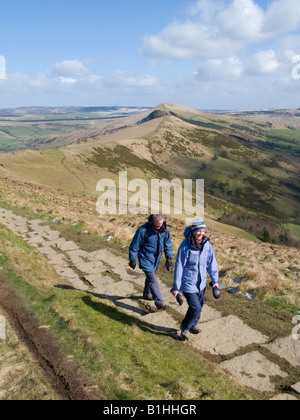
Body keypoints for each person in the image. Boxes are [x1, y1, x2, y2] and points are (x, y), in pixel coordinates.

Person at [172, 220, 219, 340]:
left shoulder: (206, 245)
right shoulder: (185, 246)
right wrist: (176, 287)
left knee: (200, 305)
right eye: (199, 231)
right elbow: (179, 266)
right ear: (193, 231)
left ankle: (193, 324)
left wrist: (215, 281)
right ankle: (185, 327)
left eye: (203, 231)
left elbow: (211, 263)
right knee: (195, 307)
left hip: (201, 283)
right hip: (188, 283)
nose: (201, 233)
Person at [129, 213, 173, 309]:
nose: (159, 226)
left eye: (161, 223)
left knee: (151, 276)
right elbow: (134, 245)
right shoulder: (143, 230)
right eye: (158, 224)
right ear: (152, 221)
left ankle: (147, 293)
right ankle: (159, 302)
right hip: (145, 257)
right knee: (153, 279)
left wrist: (168, 258)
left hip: (156, 258)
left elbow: (168, 244)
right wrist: (132, 259)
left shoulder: (165, 230)